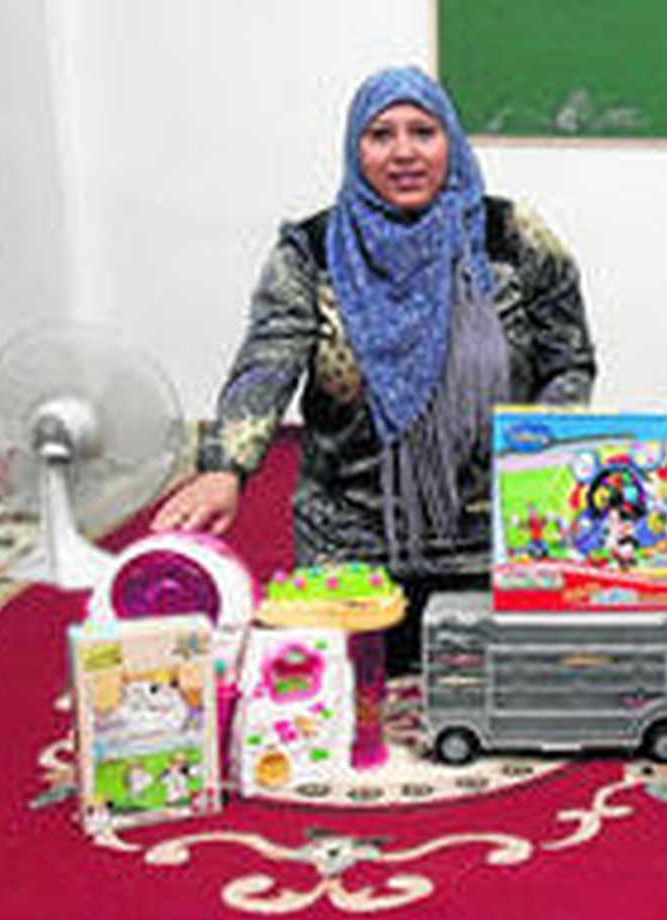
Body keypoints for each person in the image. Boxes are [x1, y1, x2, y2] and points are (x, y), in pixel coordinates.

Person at [153, 66, 595, 670]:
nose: (404, 152)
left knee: (501, 700)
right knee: (334, 707)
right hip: (351, 546)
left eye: (424, 131)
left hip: (495, 540)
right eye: (381, 134)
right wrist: (225, 467)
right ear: (353, 148)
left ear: (452, 143)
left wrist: (540, 452)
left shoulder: (512, 237)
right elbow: (265, 365)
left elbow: (568, 360)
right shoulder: (310, 252)